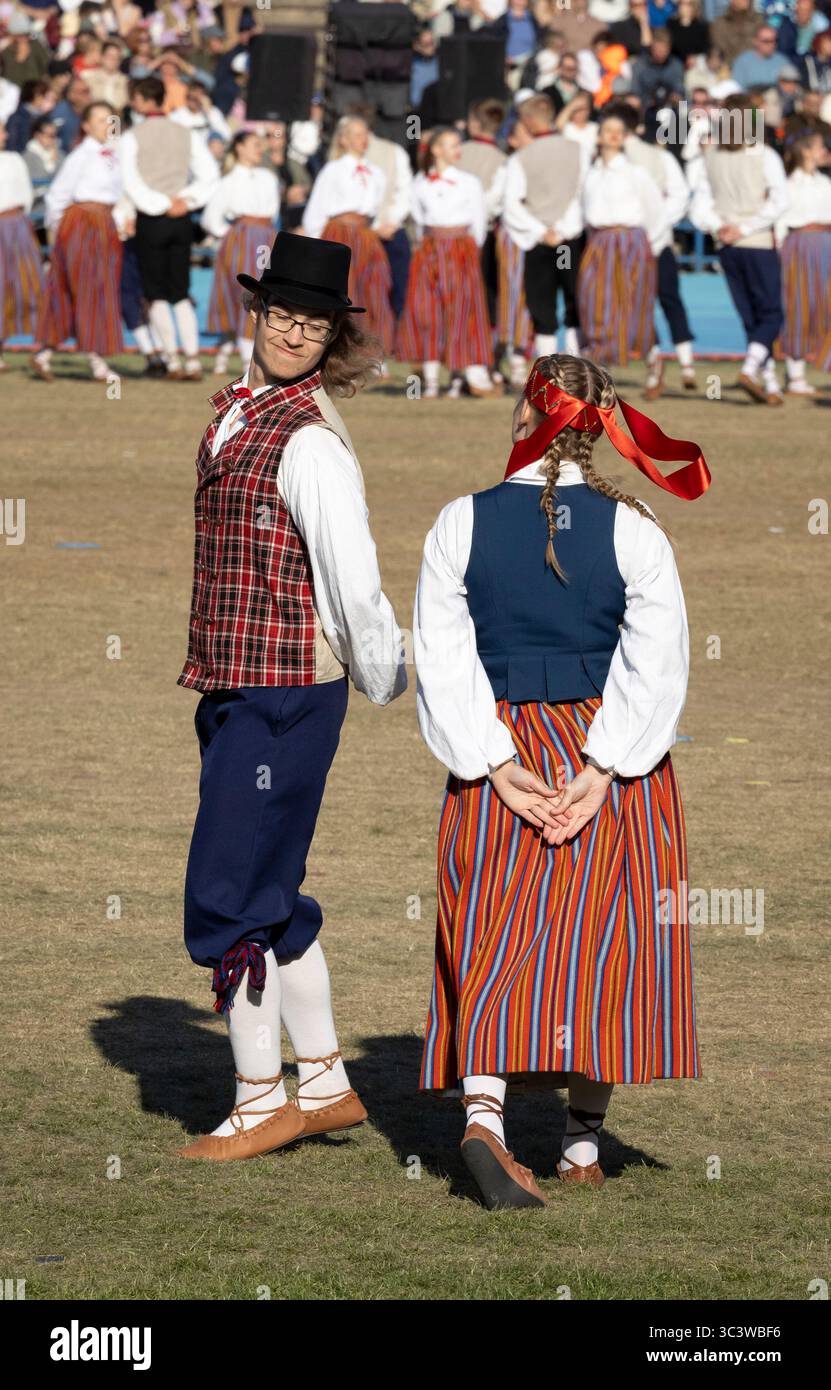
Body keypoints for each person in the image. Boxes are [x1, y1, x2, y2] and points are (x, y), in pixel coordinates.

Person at [413, 351, 710, 1210]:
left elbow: (440, 656)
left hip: (500, 748)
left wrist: (495, 764)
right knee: (606, 941)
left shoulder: (456, 523)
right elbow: (655, 666)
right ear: (598, 432)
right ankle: (581, 1145)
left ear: (521, 421)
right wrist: (601, 768)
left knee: (492, 927)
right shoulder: (636, 531)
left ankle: (484, 1118)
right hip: (604, 752)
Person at [176, 232, 407, 1162]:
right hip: (241, 681)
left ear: (329, 338)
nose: (291, 332)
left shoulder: (309, 442)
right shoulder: (243, 409)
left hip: (283, 690)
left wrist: (384, 671)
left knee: (228, 893)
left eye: (310, 323)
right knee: (269, 890)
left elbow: (351, 577)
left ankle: (260, 1100)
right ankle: (324, 1080)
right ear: (259, 315)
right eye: (280, 315)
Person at [689, 93, 788, 403]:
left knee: (749, 314)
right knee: (771, 313)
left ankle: (769, 382)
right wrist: (742, 227)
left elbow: (700, 203)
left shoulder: (711, 155)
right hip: (755, 241)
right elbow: (780, 201)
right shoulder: (764, 154)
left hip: (727, 243)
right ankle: (750, 369)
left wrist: (719, 227)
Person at [119, 74, 219, 381]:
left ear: (141, 101)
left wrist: (160, 203)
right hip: (180, 218)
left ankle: (173, 360)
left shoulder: (131, 136)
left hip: (153, 218)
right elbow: (210, 173)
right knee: (180, 290)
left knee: (156, 293)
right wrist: (186, 201)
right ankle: (191, 359)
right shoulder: (186, 133)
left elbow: (129, 180)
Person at [397, 126, 497, 399]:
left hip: (460, 249)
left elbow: (479, 223)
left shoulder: (469, 182)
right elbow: (418, 221)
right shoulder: (419, 183)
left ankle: (456, 379)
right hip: (430, 249)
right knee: (427, 312)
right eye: (451, 145)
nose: (457, 150)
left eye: (458, 145)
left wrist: (465, 250)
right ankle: (429, 381)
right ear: (436, 150)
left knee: (461, 312)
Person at [32, 101, 126, 384]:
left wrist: (120, 222)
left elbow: (117, 194)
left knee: (94, 288)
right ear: (86, 125)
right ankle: (96, 361)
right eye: (98, 120)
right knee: (84, 287)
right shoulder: (80, 156)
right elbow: (57, 196)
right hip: (81, 223)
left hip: (104, 225)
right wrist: (60, 234)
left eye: (109, 120)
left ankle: (45, 354)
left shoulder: (113, 155)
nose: (106, 125)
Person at [611, 103, 697, 395]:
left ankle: (658, 365)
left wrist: (650, 228)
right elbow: (680, 196)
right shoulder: (656, 158)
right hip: (652, 241)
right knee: (668, 300)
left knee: (642, 304)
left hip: (640, 242)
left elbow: (677, 196)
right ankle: (681, 365)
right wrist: (659, 224)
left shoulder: (644, 160)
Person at [302, 115, 394, 364]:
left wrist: (379, 227)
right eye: (356, 134)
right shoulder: (333, 170)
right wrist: (314, 246)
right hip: (339, 232)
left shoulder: (376, 172)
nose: (362, 140)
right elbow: (316, 210)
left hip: (365, 235)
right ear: (343, 139)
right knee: (343, 290)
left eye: (365, 134)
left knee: (374, 289)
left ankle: (374, 354)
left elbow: (373, 210)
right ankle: (334, 353)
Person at [577, 112, 663, 366]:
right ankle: (599, 363)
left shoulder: (635, 173)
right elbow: (583, 212)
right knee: (595, 301)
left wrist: (650, 247)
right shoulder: (590, 175)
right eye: (608, 130)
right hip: (599, 241)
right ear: (599, 136)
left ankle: (653, 359)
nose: (613, 135)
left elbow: (655, 212)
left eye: (619, 131)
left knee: (633, 303)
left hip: (630, 240)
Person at [503, 92, 584, 361]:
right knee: (575, 300)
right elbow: (582, 194)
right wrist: (562, 229)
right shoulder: (578, 150)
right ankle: (576, 364)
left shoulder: (521, 158)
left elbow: (512, 204)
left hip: (539, 243)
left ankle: (547, 369)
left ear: (528, 121)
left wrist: (542, 231)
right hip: (569, 240)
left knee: (542, 303)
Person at [202, 129, 279, 377]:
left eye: (261, 144)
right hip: (241, 237)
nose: (260, 148)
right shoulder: (228, 180)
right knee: (243, 293)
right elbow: (210, 218)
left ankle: (225, 356)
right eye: (255, 144)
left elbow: (272, 211)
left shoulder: (268, 177)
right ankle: (246, 358)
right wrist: (232, 233)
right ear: (239, 148)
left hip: (266, 235)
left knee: (263, 291)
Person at [778, 130, 831, 393]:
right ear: (806, 152)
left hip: (826, 244)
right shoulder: (789, 184)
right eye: (821, 147)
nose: (825, 152)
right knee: (799, 307)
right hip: (799, 245)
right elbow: (780, 219)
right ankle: (795, 374)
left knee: (826, 306)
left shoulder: (825, 183)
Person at [0, 118, 44, 372]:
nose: (4, 135)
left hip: (17, 225)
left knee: (28, 284)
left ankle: (43, 347)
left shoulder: (15, 159)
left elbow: (26, 195)